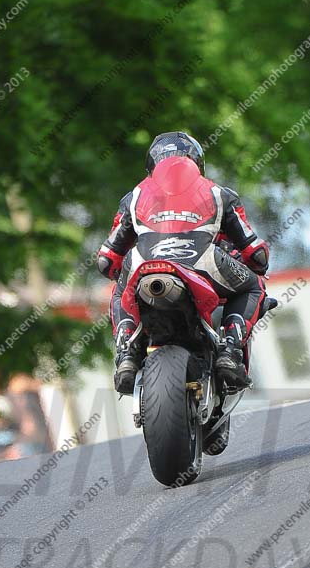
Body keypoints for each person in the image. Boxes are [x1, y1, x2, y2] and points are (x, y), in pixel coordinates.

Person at [97, 132, 269, 394]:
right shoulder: (219, 193)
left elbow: (106, 259)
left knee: (120, 292)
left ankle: (126, 353)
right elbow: (256, 253)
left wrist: (119, 273)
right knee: (253, 286)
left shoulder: (134, 196)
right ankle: (230, 350)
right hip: (203, 261)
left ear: (151, 165)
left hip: (142, 263)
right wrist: (254, 265)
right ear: (198, 163)